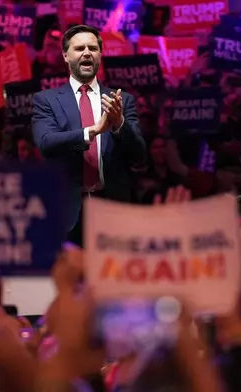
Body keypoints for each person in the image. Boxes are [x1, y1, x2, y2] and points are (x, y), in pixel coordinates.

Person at [32, 24, 146, 246]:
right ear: (65, 55)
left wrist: (119, 124)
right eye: (79, 48)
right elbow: (46, 143)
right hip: (67, 212)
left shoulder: (121, 101)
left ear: (100, 55)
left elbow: (139, 155)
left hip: (113, 210)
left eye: (93, 48)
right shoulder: (46, 100)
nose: (87, 52)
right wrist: (92, 131)